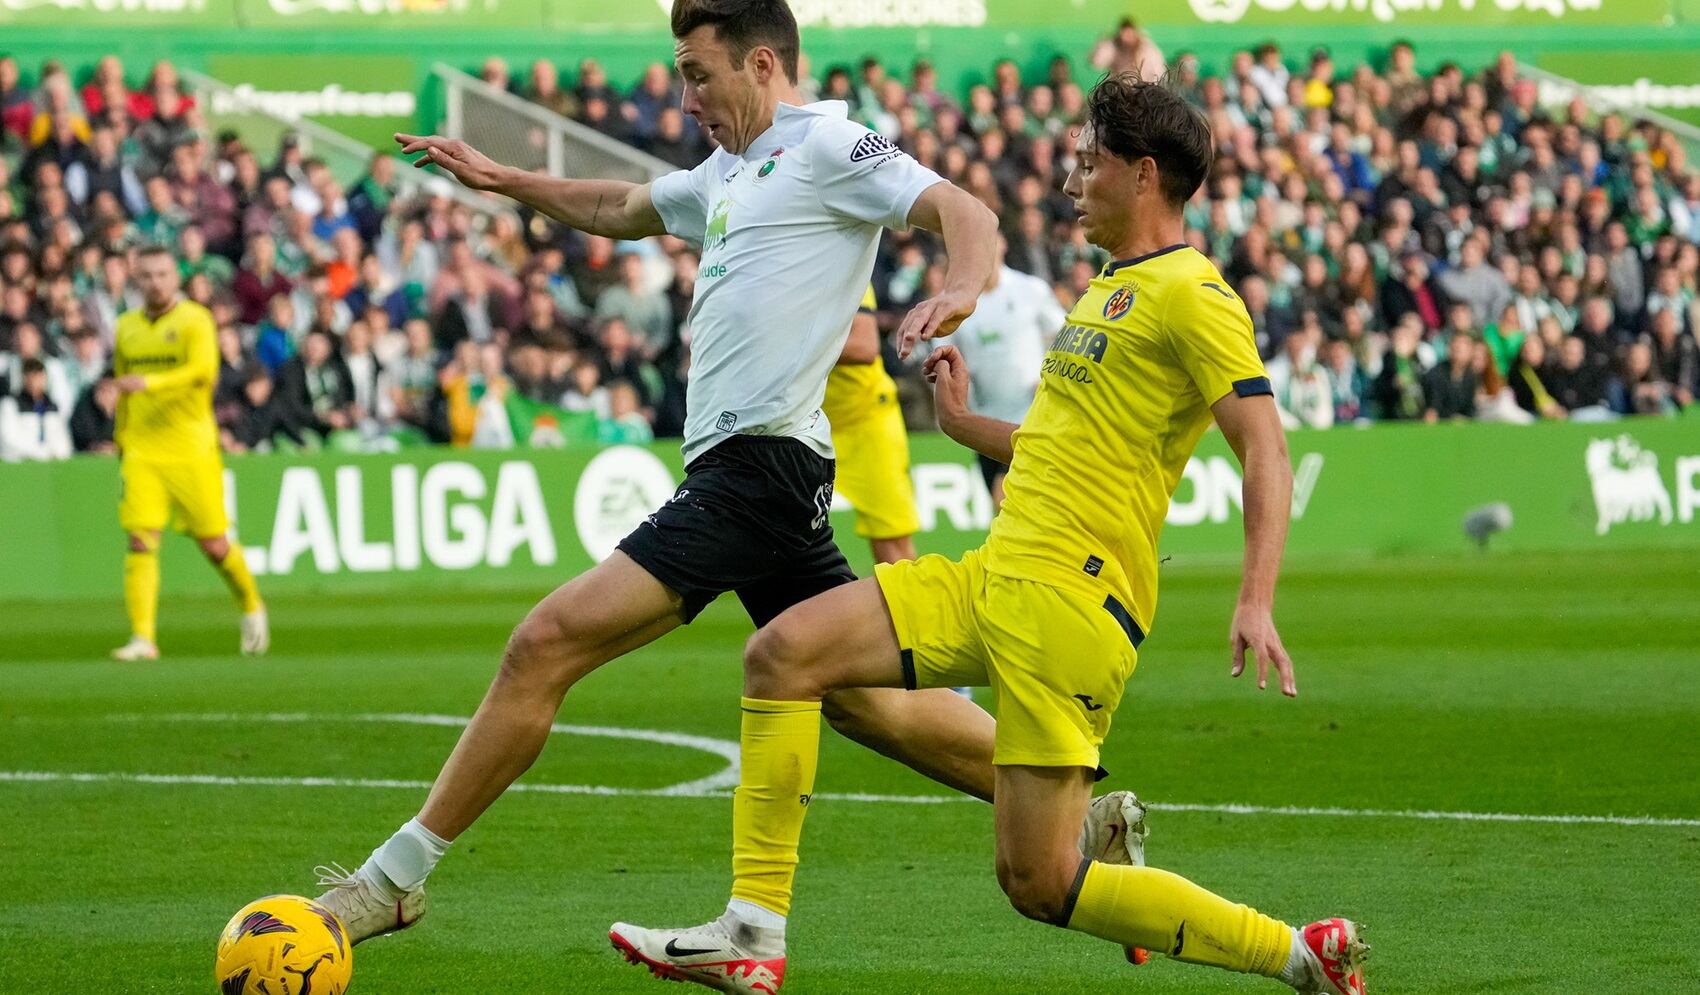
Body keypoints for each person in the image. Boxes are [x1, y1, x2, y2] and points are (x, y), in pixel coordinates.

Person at [312, 0, 1139, 950]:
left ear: (759, 63)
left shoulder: (829, 143)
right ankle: (1083, 819)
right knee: (861, 698)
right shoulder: (726, 172)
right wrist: (502, 179)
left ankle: (393, 879)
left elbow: (965, 208)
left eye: (698, 74)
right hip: (759, 470)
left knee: (545, 642)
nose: (687, 94)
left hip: (758, 470)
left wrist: (958, 285)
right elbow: (619, 208)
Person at [611, 72, 1366, 995]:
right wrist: (966, 423)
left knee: (1040, 883)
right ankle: (752, 930)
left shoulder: (1192, 294)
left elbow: (1266, 450)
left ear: (1144, 173)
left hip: (1071, 602)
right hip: (996, 572)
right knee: (783, 653)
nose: (1071, 181)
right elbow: (1069, 444)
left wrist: (1255, 599)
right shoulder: (1105, 291)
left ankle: (1296, 953)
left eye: (1088, 164)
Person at [110, 246, 268, 661]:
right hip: (142, 449)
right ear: (136, 279)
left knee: (215, 544)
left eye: (163, 273)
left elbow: (203, 373)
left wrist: (151, 383)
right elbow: (123, 389)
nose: (156, 282)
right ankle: (143, 638)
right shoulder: (126, 327)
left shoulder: (196, 319)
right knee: (141, 540)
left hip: (191, 447)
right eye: (146, 276)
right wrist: (120, 435)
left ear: (175, 276)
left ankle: (252, 606)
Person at [943, 234, 1067, 508]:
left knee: (1010, 499)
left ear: (1003, 245)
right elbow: (940, 357)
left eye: (990, 242)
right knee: (1005, 509)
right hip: (983, 420)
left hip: (1031, 417)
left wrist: (1049, 378)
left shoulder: (1030, 290)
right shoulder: (954, 302)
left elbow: (1065, 337)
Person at [821, 286, 921, 563]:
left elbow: (865, 346)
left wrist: (780, 338)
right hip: (807, 424)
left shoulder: (843, 262)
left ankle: (904, 606)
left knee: (892, 539)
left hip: (866, 419)